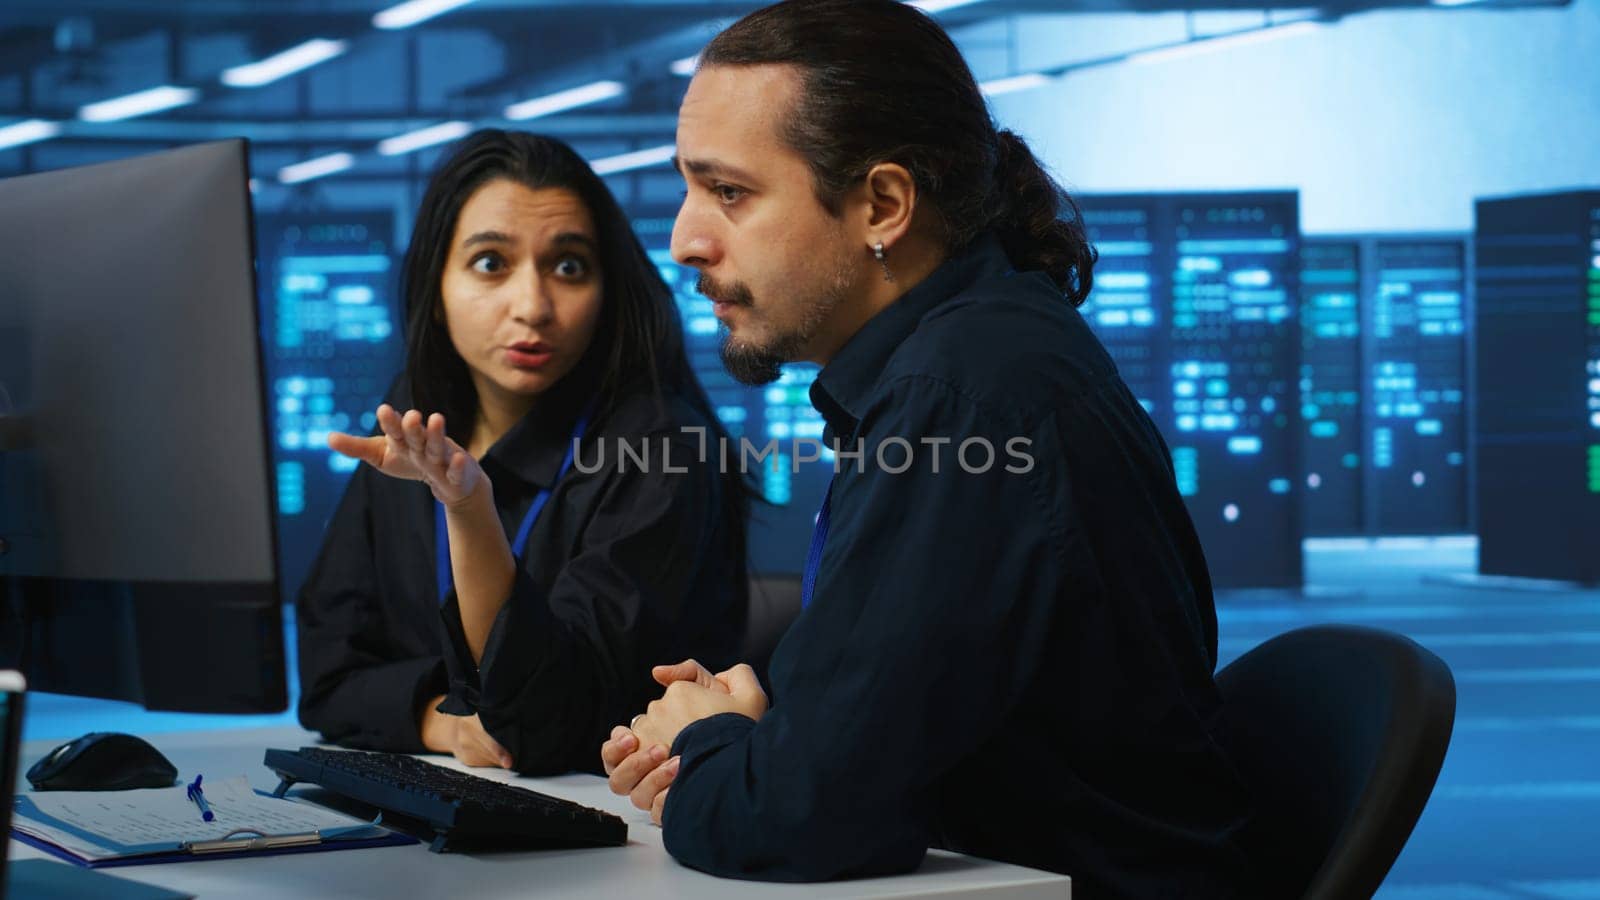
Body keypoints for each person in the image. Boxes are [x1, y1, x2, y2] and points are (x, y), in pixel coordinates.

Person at [600, 2, 1255, 896]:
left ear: (883, 205)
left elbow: (793, 824)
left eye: (730, 193)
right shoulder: (979, 357)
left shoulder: (960, 398)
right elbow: (858, 752)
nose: (685, 240)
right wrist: (755, 731)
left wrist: (709, 745)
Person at [296, 129, 749, 775]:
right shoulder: (419, 419)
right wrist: (439, 722)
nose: (533, 307)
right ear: (436, 285)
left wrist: (466, 508)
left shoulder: (660, 449)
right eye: (490, 263)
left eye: (569, 267)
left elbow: (543, 723)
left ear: (606, 289)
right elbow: (327, 681)